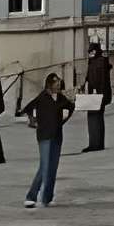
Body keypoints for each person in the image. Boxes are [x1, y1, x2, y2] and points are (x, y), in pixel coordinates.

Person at [22, 73, 74, 208]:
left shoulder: (61, 98)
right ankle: (32, 196)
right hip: (44, 136)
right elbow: (28, 108)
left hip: (57, 135)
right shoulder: (42, 97)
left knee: (52, 167)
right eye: (55, 83)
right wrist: (34, 121)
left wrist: (64, 119)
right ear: (49, 84)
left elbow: (70, 106)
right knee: (45, 166)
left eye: (59, 83)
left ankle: (47, 198)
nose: (58, 85)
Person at [81, 44, 112, 153]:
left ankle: (96, 144)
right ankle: (96, 143)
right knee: (94, 119)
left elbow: (101, 80)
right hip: (94, 94)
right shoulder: (94, 62)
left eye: (92, 51)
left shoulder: (100, 62)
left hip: (97, 94)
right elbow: (89, 78)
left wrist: (99, 93)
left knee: (95, 119)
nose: (90, 54)